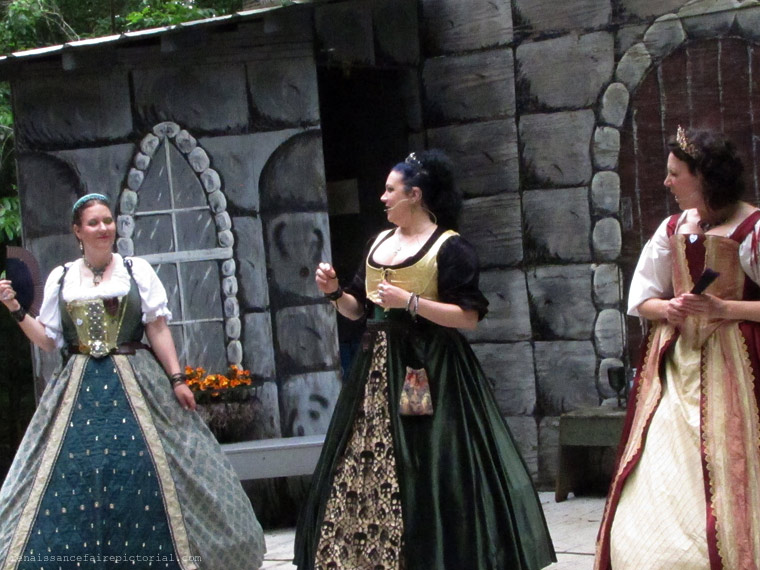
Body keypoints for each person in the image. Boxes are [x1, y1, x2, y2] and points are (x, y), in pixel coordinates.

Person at [294, 151, 555, 570]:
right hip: (376, 369)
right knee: (361, 457)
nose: (382, 198)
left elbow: (468, 318)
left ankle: (435, 554)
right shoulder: (378, 243)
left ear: (414, 195)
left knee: (430, 460)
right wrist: (333, 292)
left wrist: (410, 302)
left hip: (430, 367)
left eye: (390, 190)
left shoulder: (450, 248)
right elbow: (357, 309)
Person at [0, 194, 265, 570]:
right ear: (78, 231)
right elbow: (47, 340)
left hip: (136, 376)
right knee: (73, 472)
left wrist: (177, 379)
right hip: (77, 384)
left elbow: (157, 328)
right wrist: (16, 309)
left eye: (108, 220)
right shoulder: (62, 277)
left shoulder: (135, 270)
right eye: (94, 222)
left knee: (149, 467)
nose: (104, 228)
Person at [595, 127, 760, 569]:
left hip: (737, 364)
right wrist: (668, 307)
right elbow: (640, 299)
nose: (666, 183)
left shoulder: (753, 228)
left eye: (674, 174)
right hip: (675, 364)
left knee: (732, 466)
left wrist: (725, 306)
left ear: (703, 177)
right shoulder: (671, 229)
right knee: (660, 466)